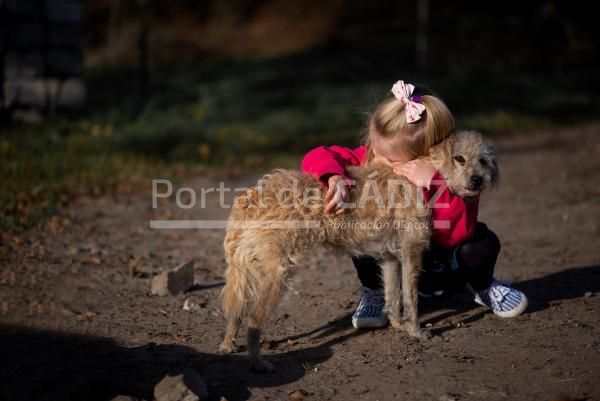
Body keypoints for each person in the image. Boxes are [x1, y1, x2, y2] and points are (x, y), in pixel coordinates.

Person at [301, 80, 528, 329]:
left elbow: (456, 234)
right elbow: (317, 155)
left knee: (480, 244)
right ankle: (375, 291)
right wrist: (334, 175)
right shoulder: (367, 157)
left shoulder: (449, 177)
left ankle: (483, 285)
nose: (378, 160)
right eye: (376, 150)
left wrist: (434, 183)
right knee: (364, 237)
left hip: (443, 266)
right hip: (396, 263)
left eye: (389, 158)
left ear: (424, 155)